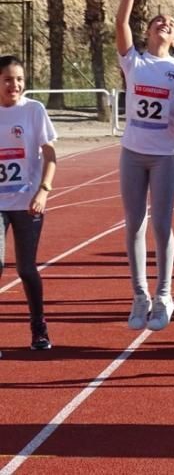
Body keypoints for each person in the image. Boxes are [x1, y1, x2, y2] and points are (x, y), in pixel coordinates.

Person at [117, 0, 174, 332]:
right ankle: (139, 295)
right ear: (148, 32)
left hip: (165, 154)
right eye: (157, 21)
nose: (163, 24)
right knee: (135, 223)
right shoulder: (134, 62)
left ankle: (164, 294)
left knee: (162, 224)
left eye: (170, 24)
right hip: (133, 152)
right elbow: (120, 24)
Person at [0, 55, 57, 353]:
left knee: (26, 268)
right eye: (8, 79)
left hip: (28, 202)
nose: (15, 85)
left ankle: (39, 328)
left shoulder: (34, 110)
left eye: (19, 79)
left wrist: (44, 191)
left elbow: (49, 155)